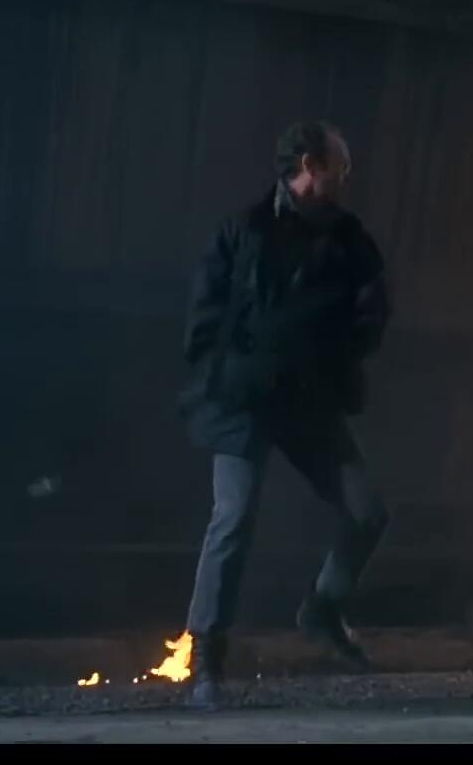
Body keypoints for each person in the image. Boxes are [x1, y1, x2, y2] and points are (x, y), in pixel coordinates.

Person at [175, 120, 391, 709]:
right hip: (244, 400)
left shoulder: (349, 240)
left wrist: (334, 358)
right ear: (309, 166)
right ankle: (206, 660)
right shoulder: (243, 230)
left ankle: (322, 609)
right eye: (339, 166)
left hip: (308, 399)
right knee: (233, 519)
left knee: (365, 511)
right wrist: (228, 372)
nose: (346, 177)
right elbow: (204, 317)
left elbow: (372, 312)